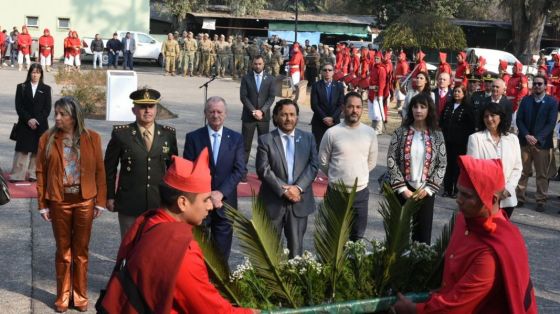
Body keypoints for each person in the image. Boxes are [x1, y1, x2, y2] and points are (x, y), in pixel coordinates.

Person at [99, 151, 256, 313]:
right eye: (205, 199)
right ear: (182, 203)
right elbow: (210, 309)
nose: (210, 206)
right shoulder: (180, 247)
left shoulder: (146, 221)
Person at [393, 155, 537, 314]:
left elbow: (457, 306)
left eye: (467, 195)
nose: (458, 200)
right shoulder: (464, 219)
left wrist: (413, 309)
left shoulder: (492, 250)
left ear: (493, 199)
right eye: (459, 192)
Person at [36, 97, 107, 312]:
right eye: (55, 114)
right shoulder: (47, 138)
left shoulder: (92, 138)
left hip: (85, 200)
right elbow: (40, 172)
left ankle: (80, 296)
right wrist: (43, 204)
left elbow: (99, 171)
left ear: (74, 117)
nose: (57, 118)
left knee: (81, 252)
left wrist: (100, 202)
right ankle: (63, 297)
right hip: (59, 201)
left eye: (62, 114)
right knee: (63, 251)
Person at [104, 88, 178, 238]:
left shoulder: (168, 135)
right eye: (142, 106)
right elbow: (109, 168)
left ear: (156, 109)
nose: (147, 110)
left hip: (158, 202)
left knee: (155, 245)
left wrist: (174, 198)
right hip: (130, 202)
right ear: (134, 110)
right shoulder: (121, 134)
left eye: (151, 106)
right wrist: (110, 196)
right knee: (129, 245)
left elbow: (173, 169)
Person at [183, 96, 246, 261]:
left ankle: (218, 286)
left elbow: (239, 170)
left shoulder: (236, 139)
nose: (215, 115)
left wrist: (219, 193)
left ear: (225, 114)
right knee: (197, 252)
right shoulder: (193, 138)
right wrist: (208, 194)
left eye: (219, 112)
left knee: (221, 256)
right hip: (199, 203)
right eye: (211, 111)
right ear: (205, 113)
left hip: (225, 204)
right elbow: (190, 169)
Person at [256, 99, 318, 257]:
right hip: (273, 201)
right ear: (276, 117)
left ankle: (294, 280)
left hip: (299, 201)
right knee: (271, 250)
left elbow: (313, 166)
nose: (288, 118)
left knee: (296, 249)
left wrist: (297, 188)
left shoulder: (308, 138)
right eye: (284, 114)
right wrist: (284, 190)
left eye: (292, 114)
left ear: (297, 117)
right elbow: (263, 169)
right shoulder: (266, 140)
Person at [387, 94, 447, 244]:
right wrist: (402, 189)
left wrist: (427, 190)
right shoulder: (400, 132)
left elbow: (442, 163)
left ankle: (419, 266)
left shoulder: (437, 135)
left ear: (429, 110)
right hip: (403, 189)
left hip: (425, 191)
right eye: (415, 106)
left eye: (423, 106)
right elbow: (391, 159)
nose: (418, 110)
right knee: (399, 235)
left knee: (422, 235)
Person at [319, 92, 378, 241]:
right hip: (336, 193)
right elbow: (323, 161)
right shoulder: (332, 133)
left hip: (360, 194)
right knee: (334, 237)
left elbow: (371, 162)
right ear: (343, 108)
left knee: (357, 238)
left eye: (358, 107)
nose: (354, 110)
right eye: (350, 106)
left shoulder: (370, 133)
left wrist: (358, 174)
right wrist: (337, 176)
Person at [467, 102, 522, 217]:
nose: (489, 119)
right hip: (485, 198)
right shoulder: (475, 138)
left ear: (500, 117)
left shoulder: (513, 139)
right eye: (486, 116)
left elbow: (517, 168)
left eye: (493, 115)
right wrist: (493, 192)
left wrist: (508, 188)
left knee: (502, 232)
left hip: (507, 198)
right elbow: (474, 170)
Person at [515, 75, 558, 212]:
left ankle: (541, 200)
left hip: (542, 144)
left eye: (540, 84)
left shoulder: (552, 102)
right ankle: (520, 198)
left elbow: (551, 124)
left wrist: (537, 138)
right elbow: (519, 120)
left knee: (541, 174)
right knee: (523, 172)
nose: (537, 86)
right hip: (525, 141)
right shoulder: (526, 100)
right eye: (535, 84)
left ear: (545, 86)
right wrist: (527, 135)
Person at [10, 64, 52, 182]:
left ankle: (34, 173)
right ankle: (17, 175)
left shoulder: (46, 88)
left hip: (40, 124)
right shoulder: (21, 87)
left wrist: (37, 120)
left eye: (38, 72)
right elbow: (19, 106)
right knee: (22, 150)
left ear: (41, 74)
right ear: (29, 73)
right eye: (33, 72)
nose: (35, 75)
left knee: (37, 150)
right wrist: (29, 119)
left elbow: (47, 109)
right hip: (24, 123)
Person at [239, 55, 277, 181]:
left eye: (260, 64)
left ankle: (262, 173)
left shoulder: (270, 79)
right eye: (255, 64)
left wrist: (262, 111)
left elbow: (271, 97)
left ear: (264, 64)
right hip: (249, 117)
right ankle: (242, 173)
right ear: (252, 64)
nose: (257, 66)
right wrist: (253, 111)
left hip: (263, 118)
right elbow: (243, 97)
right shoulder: (246, 78)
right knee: (245, 146)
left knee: (263, 146)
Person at [440, 84, 475, 197]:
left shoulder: (467, 108)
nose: (456, 93)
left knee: (457, 167)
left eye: (459, 91)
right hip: (447, 141)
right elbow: (442, 121)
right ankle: (447, 189)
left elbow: (471, 126)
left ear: (464, 94)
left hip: (460, 143)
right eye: (455, 91)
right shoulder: (448, 105)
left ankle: (456, 190)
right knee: (447, 165)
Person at [310, 63, 345, 149]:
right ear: (321, 72)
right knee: (318, 147)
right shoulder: (316, 85)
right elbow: (314, 104)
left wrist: (332, 118)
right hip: (319, 121)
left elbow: (341, 104)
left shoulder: (339, 86)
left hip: (334, 122)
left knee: (334, 148)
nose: (327, 72)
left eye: (330, 70)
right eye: (325, 70)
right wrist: (324, 117)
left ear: (333, 72)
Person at [368, 51, 387, 134]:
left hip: (377, 93)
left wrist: (380, 94)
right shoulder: (373, 68)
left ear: (381, 59)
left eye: (377, 58)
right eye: (375, 58)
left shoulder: (382, 69)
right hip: (371, 92)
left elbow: (382, 83)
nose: (376, 59)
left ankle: (379, 129)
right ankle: (373, 126)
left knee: (378, 111)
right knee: (372, 110)